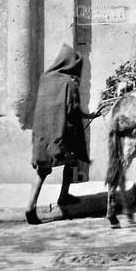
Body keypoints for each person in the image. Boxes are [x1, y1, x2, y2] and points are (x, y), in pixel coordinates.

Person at [25, 44, 97, 225]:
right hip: (62, 134)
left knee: (42, 171)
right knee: (70, 164)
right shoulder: (69, 83)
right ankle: (63, 196)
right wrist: (90, 115)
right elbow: (73, 109)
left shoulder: (46, 79)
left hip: (43, 134)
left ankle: (30, 206)